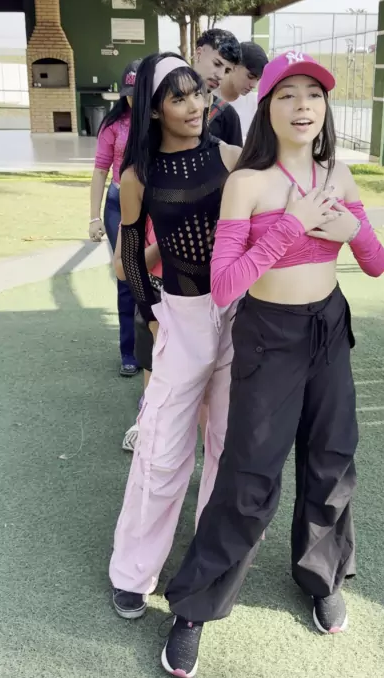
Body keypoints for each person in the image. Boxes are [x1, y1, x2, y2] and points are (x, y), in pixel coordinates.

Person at [161, 52, 384, 677]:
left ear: (325, 107)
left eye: (313, 93)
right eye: (287, 94)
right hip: (269, 335)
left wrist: (352, 232)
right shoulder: (249, 183)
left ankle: (321, 575)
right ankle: (195, 607)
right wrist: (291, 225)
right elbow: (225, 286)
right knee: (250, 473)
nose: (303, 105)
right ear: (266, 107)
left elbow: (375, 263)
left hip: (329, 327)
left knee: (332, 456)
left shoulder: (338, 174)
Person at [109, 51, 241, 621]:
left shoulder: (231, 156)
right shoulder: (137, 177)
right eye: (178, 97)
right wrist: (153, 317)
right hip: (180, 316)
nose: (194, 105)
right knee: (161, 449)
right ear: (153, 109)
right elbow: (131, 258)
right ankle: (132, 571)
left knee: (228, 444)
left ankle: (213, 563)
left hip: (239, 314)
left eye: (198, 94)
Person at [89, 60, 141, 377]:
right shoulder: (113, 125)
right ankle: (129, 351)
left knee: (154, 276)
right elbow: (100, 171)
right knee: (125, 277)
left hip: (152, 206)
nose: (134, 98)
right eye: (129, 93)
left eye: (140, 91)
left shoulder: (163, 120)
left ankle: (157, 346)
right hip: (117, 206)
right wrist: (93, 217)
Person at [113, 220, 163, 450]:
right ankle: (147, 419)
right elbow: (123, 269)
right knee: (152, 361)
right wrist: (167, 237)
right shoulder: (141, 206)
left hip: (201, 297)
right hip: (154, 292)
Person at [192, 29, 243, 146]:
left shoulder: (228, 116)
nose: (220, 76)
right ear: (198, 54)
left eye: (227, 71)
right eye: (217, 64)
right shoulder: (167, 104)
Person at [216, 41, 268, 139]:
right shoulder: (207, 98)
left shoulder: (256, 104)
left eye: (258, 79)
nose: (253, 85)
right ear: (234, 66)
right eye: (250, 76)